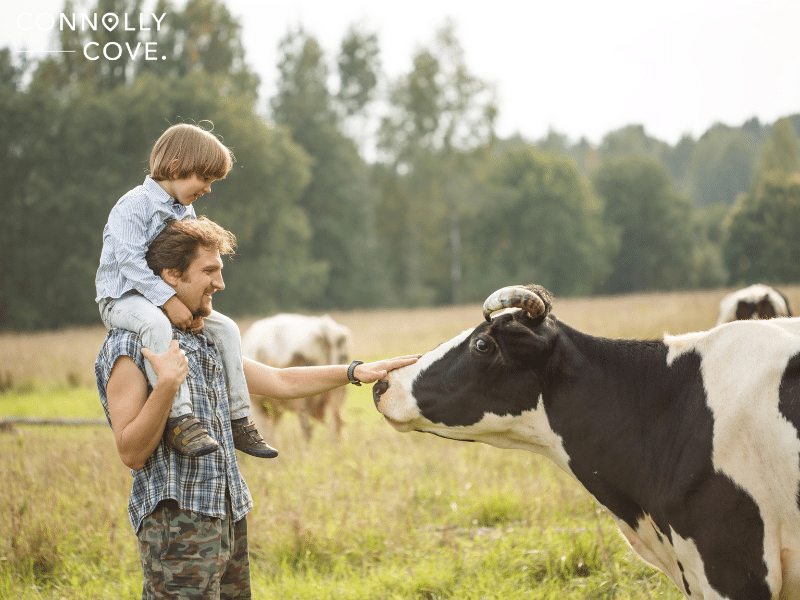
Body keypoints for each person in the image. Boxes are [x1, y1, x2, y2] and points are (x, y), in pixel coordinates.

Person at [95, 217, 420, 598]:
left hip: (228, 513)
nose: (220, 283)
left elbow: (280, 381)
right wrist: (166, 385)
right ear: (170, 275)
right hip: (176, 525)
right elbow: (131, 452)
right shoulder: (129, 349)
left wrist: (355, 370)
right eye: (209, 271)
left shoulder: (207, 340)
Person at [95, 122, 276, 459]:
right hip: (121, 297)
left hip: (164, 298)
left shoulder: (185, 212)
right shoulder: (132, 205)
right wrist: (170, 302)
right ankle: (181, 418)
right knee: (157, 325)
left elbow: (185, 266)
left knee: (227, 328)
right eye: (204, 179)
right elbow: (131, 263)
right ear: (177, 168)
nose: (207, 189)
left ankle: (239, 417)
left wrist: (185, 304)